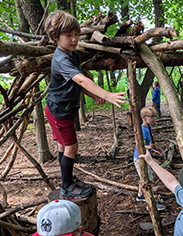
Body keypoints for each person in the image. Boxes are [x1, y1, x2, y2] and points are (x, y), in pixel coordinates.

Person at [44, 10, 126, 199]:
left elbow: (76, 84)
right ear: (55, 37)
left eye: (76, 35)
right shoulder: (61, 59)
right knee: (71, 147)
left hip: (63, 110)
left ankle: (68, 180)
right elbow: (81, 80)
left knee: (64, 147)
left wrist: (92, 95)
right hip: (59, 112)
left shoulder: (71, 54)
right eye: (68, 35)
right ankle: (66, 187)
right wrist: (106, 94)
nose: (74, 39)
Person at [134, 107, 165, 211]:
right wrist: (149, 148)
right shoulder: (143, 129)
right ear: (144, 117)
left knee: (144, 177)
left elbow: (150, 143)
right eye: (152, 117)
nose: (154, 119)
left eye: (154, 116)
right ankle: (150, 202)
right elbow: (140, 145)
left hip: (146, 157)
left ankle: (140, 195)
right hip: (140, 158)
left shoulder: (149, 127)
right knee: (148, 179)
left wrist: (155, 148)